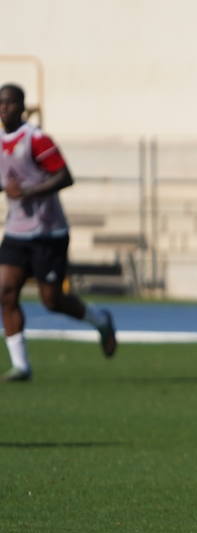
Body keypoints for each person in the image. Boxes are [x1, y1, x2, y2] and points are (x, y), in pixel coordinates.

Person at [0, 83, 116, 381]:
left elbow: (65, 176)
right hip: (16, 230)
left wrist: (28, 191)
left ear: (22, 106)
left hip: (47, 231)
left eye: (10, 103)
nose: (4, 108)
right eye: (1, 103)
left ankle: (100, 320)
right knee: (6, 291)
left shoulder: (36, 139)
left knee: (51, 300)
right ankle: (21, 365)